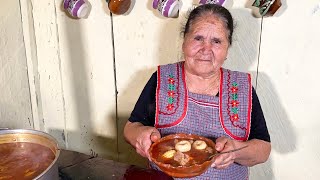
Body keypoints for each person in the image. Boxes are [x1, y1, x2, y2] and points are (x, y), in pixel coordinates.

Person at [124, 3, 271, 179]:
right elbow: (131, 127)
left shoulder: (241, 88)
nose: (205, 49)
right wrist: (140, 135)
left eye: (216, 41)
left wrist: (236, 151)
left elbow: (263, 149)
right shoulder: (162, 79)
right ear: (184, 42)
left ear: (227, 49)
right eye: (198, 38)